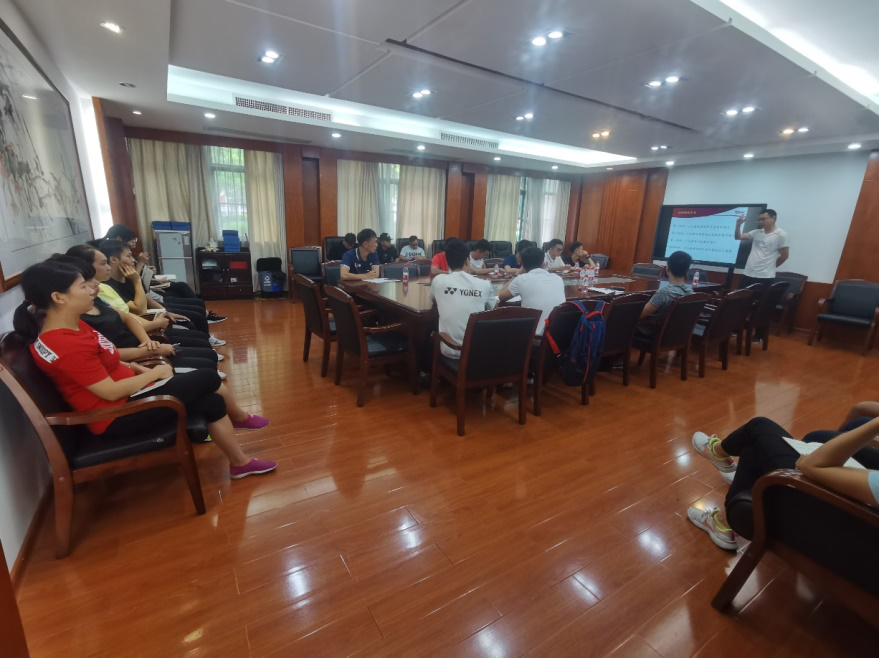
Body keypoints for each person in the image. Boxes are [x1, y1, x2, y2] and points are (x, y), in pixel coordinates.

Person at [13, 261, 276, 480]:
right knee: (207, 377)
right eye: (82, 286)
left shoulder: (73, 325)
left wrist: (134, 366)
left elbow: (106, 357)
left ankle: (240, 463)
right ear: (58, 297)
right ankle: (239, 417)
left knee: (212, 402)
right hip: (116, 415)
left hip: (128, 396)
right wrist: (154, 374)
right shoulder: (64, 343)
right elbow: (110, 391)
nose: (93, 290)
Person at [687, 415, 879, 550]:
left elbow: (808, 466)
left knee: (758, 427)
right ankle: (724, 522)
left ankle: (717, 453)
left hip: (835, 524)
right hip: (858, 522)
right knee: (756, 451)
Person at [55, 252, 221, 375]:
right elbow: (138, 310)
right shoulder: (76, 321)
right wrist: (152, 341)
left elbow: (127, 316)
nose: (94, 285)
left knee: (198, 329)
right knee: (204, 355)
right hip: (143, 349)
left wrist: (152, 334)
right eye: (85, 284)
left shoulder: (99, 297)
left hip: (146, 336)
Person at [98, 240, 219, 339]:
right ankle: (206, 341)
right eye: (129, 256)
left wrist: (165, 311)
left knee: (195, 310)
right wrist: (137, 280)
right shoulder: (111, 285)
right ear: (114, 260)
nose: (133, 260)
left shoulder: (129, 277)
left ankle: (207, 340)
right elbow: (140, 310)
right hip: (146, 320)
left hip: (153, 312)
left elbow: (148, 299)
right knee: (192, 319)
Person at [104, 225, 224, 322]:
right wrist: (140, 268)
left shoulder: (127, 266)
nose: (134, 242)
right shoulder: (113, 281)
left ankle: (205, 316)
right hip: (150, 302)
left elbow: (142, 285)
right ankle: (205, 317)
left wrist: (151, 275)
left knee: (184, 288)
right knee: (194, 308)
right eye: (132, 239)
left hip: (151, 294)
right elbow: (140, 303)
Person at [428, 240, 493, 358]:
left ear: (448, 262)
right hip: (478, 352)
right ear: (467, 261)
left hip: (451, 350)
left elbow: (433, 300)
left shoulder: (438, 281)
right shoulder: (484, 284)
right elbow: (494, 308)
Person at [735, 209, 789, 341]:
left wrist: (771, 267)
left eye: (763, 219)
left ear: (773, 218)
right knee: (739, 302)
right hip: (748, 273)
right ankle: (736, 329)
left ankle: (759, 335)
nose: (760, 222)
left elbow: (784, 256)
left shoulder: (781, 234)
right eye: (759, 219)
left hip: (764, 276)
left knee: (761, 307)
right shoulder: (757, 232)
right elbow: (738, 237)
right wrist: (738, 225)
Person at [497, 246, 566, 336]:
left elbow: (501, 296)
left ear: (522, 264)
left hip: (534, 337)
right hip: (559, 336)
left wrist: (517, 274)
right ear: (543, 263)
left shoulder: (521, 279)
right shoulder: (558, 278)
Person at [636, 250, 693, 336]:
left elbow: (639, 315)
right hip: (674, 334)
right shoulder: (690, 291)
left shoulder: (664, 293)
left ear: (667, 268)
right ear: (687, 270)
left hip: (652, 332)